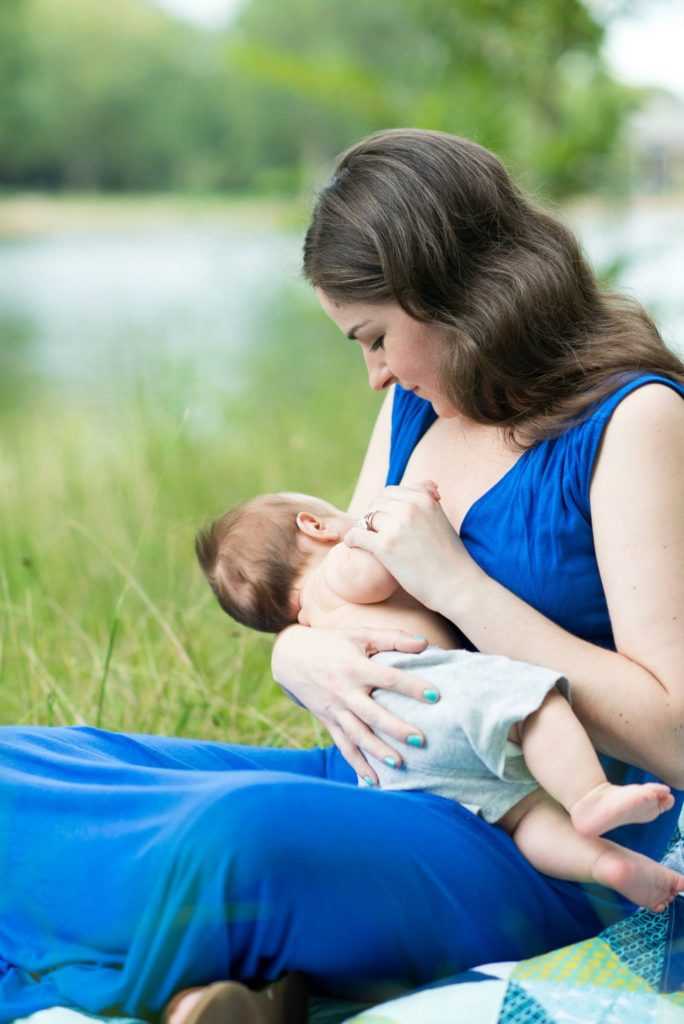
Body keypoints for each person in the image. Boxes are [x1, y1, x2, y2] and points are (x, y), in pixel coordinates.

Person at [1, 128, 683, 1024]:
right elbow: (336, 597)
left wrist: (461, 589)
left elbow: (670, 732)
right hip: (385, 784)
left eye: (376, 337)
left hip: (545, 834)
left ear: (460, 294)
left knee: (235, 841)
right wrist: (296, 656)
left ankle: (118, 995)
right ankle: (218, 991)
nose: (373, 375)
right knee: (20, 766)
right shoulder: (417, 402)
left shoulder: (636, 420)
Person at [194, 487, 682, 913]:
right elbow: (379, 563)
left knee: (521, 813)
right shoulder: (338, 569)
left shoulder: (310, 627)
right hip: (433, 689)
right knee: (535, 705)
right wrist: (399, 510)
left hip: (395, 758)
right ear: (314, 525)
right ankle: (590, 797)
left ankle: (610, 866)